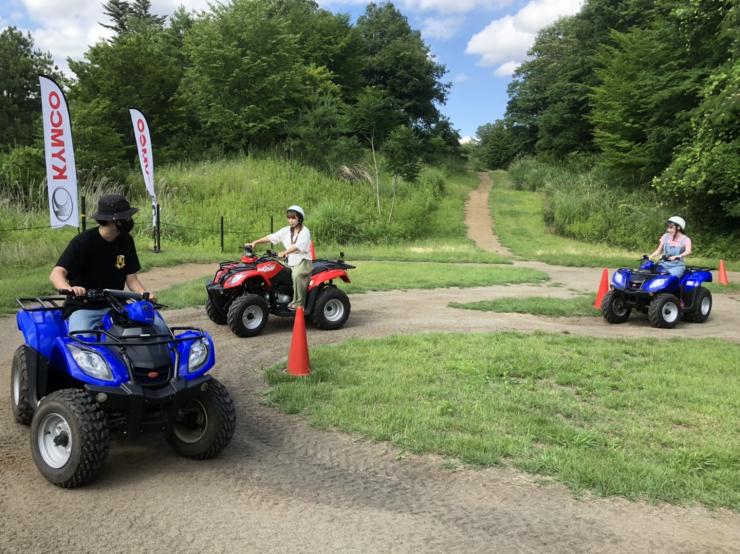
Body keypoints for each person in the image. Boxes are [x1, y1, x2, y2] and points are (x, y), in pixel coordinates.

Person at [49, 193, 165, 334]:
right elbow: (56, 274)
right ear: (113, 221)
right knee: (81, 339)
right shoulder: (83, 242)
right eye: (126, 217)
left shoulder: (126, 240)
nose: (130, 220)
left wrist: (144, 294)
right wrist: (69, 289)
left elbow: (132, 279)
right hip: (84, 307)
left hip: (117, 305)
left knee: (158, 326)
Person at [246, 205, 313, 310]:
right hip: (290, 261)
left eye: (293, 218)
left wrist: (285, 252)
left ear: (299, 218)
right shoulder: (286, 230)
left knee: (297, 275)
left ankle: (299, 304)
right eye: (289, 218)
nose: (290, 220)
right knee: (274, 270)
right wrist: (256, 242)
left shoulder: (305, 232)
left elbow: (297, 246)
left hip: (303, 261)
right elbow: (271, 237)